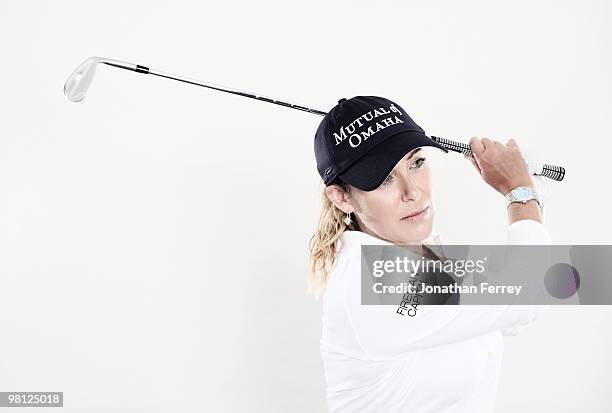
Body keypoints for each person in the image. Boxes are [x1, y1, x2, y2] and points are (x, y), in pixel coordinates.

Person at [308, 96, 550, 412]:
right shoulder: (368, 282)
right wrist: (519, 189)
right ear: (342, 197)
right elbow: (530, 291)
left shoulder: (427, 254)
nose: (413, 192)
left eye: (416, 163)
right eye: (383, 179)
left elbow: (506, 312)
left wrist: (529, 187)